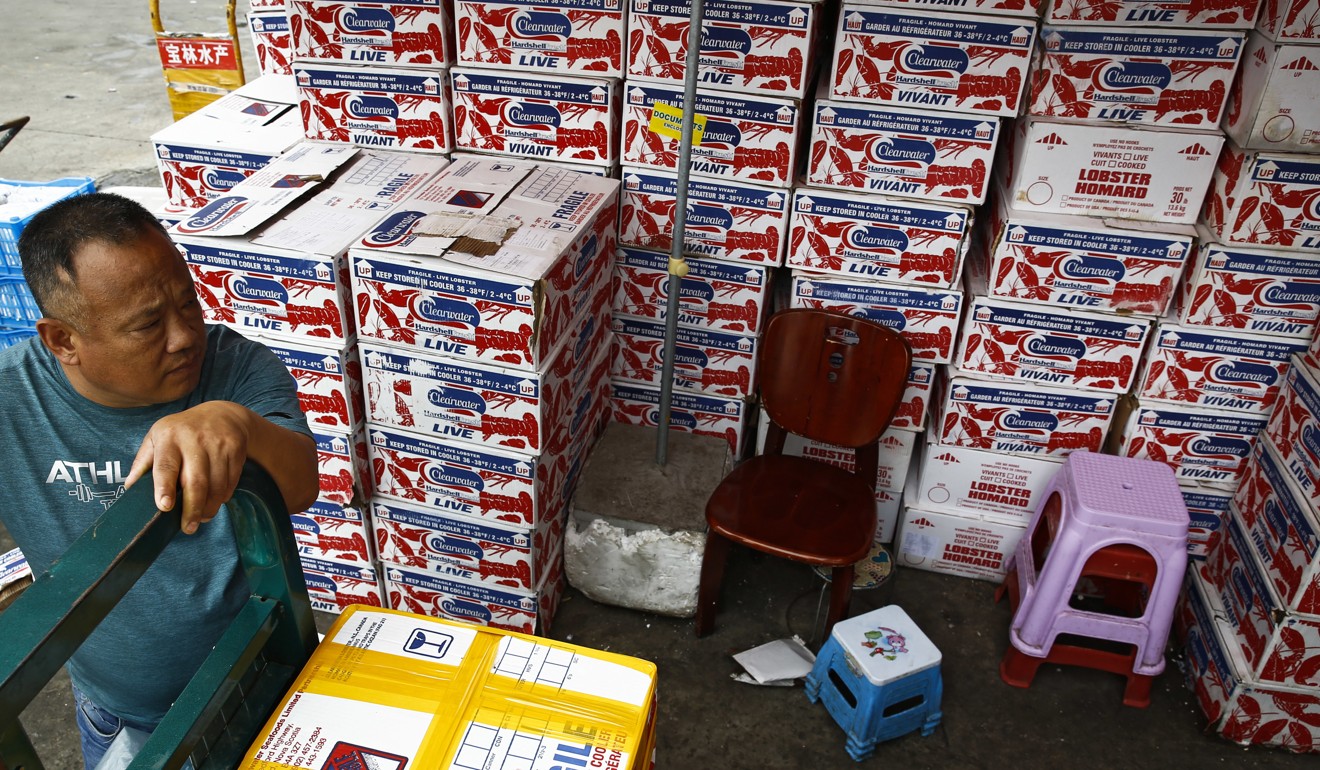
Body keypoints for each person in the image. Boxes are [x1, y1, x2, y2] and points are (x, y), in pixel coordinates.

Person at [0, 192, 318, 769]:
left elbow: (299, 485)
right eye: (148, 325)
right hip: (114, 714)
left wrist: (237, 424)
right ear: (62, 340)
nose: (184, 336)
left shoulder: (236, 368)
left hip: (257, 683)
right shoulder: (10, 400)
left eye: (188, 304)